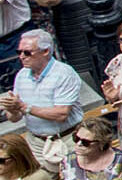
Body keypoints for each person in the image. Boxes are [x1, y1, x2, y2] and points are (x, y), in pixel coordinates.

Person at [2, 30, 82, 164]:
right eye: (19, 52)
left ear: (45, 51)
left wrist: (23, 107)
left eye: (27, 52)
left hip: (67, 139)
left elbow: (61, 114)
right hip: (37, 143)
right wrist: (12, 109)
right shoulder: (22, 75)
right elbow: (14, 118)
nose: (21, 57)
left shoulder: (64, 73)